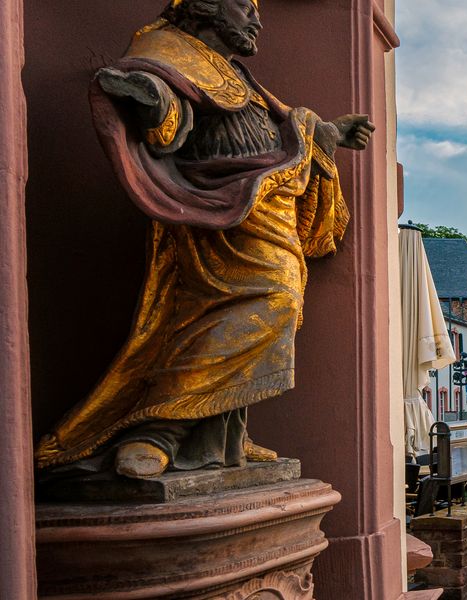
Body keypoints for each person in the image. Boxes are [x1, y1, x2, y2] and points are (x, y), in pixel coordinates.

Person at [35, 0, 374, 479]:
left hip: (267, 204)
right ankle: (157, 431)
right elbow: (166, 113)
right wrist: (151, 100)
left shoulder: (238, 75)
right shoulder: (169, 49)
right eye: (244, 7)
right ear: (206, 7)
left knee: (270, 309)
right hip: (217, 208)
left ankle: (222, 438)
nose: (257, 19)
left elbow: (285, 129)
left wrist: (329, 132)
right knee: (262, 303)